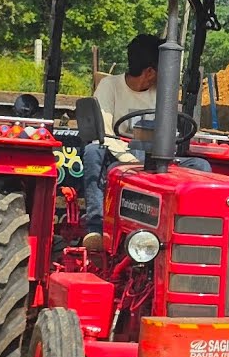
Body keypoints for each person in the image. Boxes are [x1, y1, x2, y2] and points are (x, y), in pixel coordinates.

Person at [81, 33, 209, 248]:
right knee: (93, 152)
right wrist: (130, 160)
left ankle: (189, 232)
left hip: (154, 158)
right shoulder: (109, 87)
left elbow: (170, 132)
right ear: (150, 72)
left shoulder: (163, 93)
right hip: (120, 157)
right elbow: (103, 133)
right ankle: (97, 227)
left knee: (200, 166)